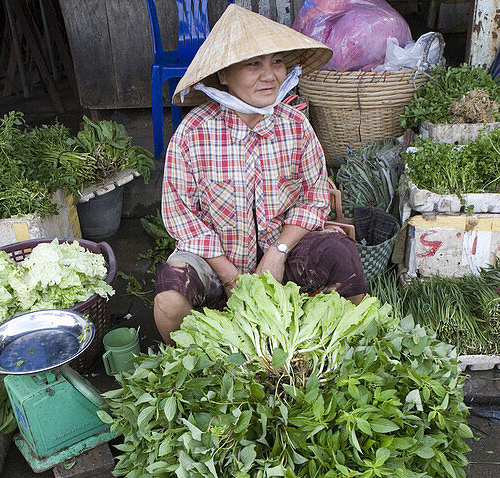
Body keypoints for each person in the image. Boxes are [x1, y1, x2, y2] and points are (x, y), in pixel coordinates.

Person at [153, 4, 368, 343]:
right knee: (169, 298)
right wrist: (229, 276)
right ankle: (192, 369)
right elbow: (183, 217)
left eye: (277, 62)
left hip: (282, 255)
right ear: (223, 74)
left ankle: (330, 347)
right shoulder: (193, 134)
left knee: (342, 258)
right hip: (216, 261)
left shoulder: (295, 125)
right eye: (254, 64)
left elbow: (313, 199)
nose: (270, 75)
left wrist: (276, 254)